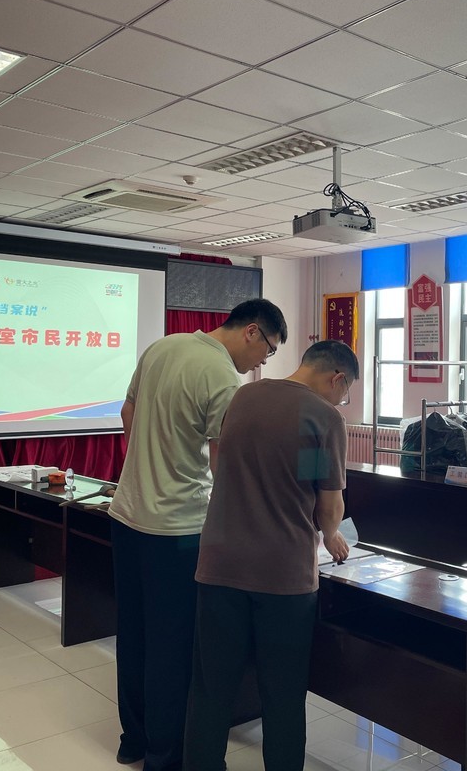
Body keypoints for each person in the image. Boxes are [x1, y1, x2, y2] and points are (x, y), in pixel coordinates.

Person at [107, 299, 288, 771]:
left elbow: (128, 412)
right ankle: (163, 759)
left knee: (134, 633)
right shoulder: (222, 376)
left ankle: (134, 740)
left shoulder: (162, 347)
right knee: (171, 647)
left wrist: (146, 467)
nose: (261, 362)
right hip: (177, 530)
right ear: (252, 331)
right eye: (268, 350)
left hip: (126, 516)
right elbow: (222, 461)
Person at [184, 340, 356, 771]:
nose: (342, 401)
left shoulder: (245, 395)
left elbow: (221, 465)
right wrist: (331, 533)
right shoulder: (324, 416)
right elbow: (328, 504)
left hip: (218, 564)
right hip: (282, 575)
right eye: (346, 392)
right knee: (282, 694)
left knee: (210, 687)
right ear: (337, 378)